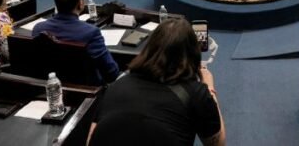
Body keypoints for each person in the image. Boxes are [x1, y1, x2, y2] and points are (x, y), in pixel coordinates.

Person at [87, 17, 225, 146]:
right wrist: (209, 88)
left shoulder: (115, 86)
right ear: (193, 54)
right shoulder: (196, 93)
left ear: (149, 48)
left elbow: (91, 139)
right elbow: (217, 143)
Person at [32, 0, 119, 84]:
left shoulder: (38, 29)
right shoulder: (91, 33)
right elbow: (111, 74)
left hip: (51, 87)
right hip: (88, 90)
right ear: (80, 4)